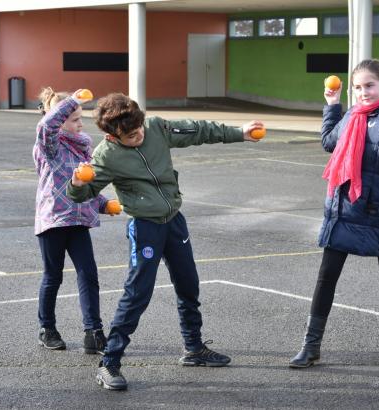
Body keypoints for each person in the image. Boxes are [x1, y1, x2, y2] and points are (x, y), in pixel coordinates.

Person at [67, 92, 264, 390]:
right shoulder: (105, 155)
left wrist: (240, 133)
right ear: (112, 136)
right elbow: (82, 195)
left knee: (189, 284)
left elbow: (198, 130)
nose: (138, 136)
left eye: (139, 129)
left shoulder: (157, 128)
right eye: (130, 135)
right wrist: (77, 183)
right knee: (137, 294)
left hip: (174, 221)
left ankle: (194, 348)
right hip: (145, 227)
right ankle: (109, 362)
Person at [289, 59, 379, 369]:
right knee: (327, 275)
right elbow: (328, 142)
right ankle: (311, 345)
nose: (363, 92)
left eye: (369, 86)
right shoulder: (351, 115)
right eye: (358, 87)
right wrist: (333, 105)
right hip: (345, 206)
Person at [34, 87, 115, 355]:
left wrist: (105, 204)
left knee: (88, 274)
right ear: (60, 116)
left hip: (79, 220)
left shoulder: (83, 148)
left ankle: (93, 332)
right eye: (75, 118)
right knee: (53, 276)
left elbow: (86, 185)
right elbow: (47, 124)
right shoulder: (49, 145)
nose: (81, 124)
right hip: (54, 220)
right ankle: (48, 328)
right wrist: (71, 102)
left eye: (81, 118)